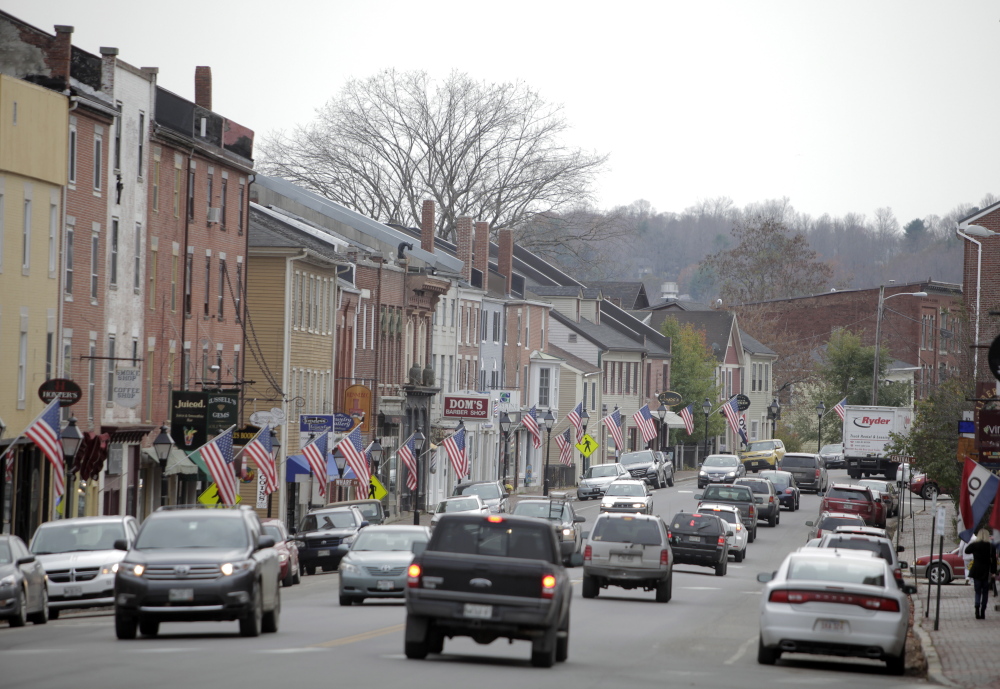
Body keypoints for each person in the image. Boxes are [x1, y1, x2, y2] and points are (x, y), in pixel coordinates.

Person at [966, 528, 998, 619]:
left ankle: (977, 609)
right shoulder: (991, 546)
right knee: (985, 592)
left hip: (976, 570)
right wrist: (993, 572)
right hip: (986, 571)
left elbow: (967, 550)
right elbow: (994, 560)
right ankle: (983, 611)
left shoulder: (975, 545)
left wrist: (974, 544)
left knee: (977, 591)